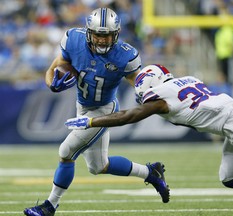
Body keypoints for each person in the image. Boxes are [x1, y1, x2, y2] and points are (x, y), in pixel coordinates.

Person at [23, 8, 170, 216]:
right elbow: (54, 68)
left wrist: (145, 94)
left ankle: (49, 206)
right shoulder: (73, 40)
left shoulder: (124, 55)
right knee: (99, 166)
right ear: (89, 32)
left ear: (116, 34)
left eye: (107, 35)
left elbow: (139, 83)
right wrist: (52, 84)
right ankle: (150, 172)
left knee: (66, 152)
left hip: (103, 109)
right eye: (99, 35)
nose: (102, 40)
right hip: (81, 106)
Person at [65, 64, 233, 194]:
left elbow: (128, 116)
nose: (143, 99)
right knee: (230, 179)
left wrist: (92, 121)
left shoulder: (160, 98)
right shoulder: (187, 80)